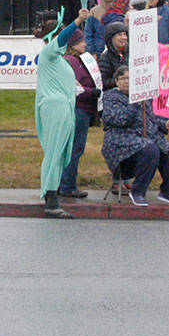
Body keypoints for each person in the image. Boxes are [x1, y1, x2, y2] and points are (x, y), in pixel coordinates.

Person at [101, 64, 169, 207]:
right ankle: (138, 192)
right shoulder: (111, 97)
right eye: (123, 78)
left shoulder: (142, 97)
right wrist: (135, 103)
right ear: (116, 81)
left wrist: (165, 124)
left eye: (130, 78)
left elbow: (150, 118)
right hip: (120, 139)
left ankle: (168, 190)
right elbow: (120, 120)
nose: (127, 81)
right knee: (149, 149)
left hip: (144, 137)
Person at [35, 15, 78, 217]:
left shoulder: (57, 59)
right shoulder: (49, 52)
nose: (67, 40)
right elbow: (62, 38)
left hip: (63, 108)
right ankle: (50, 199)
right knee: (54, 153)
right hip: (55, 108)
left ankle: (53, 194)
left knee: (59, 154)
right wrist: (77, 20)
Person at [58, 16, 100, 200]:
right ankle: (67, 185)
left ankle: (65, 183)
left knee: (73, 148)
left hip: (83, 109)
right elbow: (75, 88)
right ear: (73, 44)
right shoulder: (70, 61)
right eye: (81, 41)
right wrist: (93, 92)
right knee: (75, 148)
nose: (85, 44)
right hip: (78, 109)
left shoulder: (80, 60)